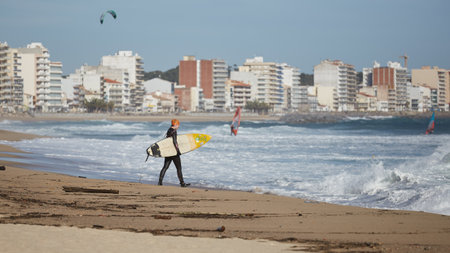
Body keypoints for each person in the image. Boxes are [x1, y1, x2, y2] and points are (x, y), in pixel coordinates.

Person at [158, 119, 190, 187]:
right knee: (179, 168)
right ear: (175, 125)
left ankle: (160, 182)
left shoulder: (169, 130)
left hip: (168, 152)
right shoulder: (174, 131)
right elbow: (175, 142)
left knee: (165, 167)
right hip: (174, 152)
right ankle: (182, 183)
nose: (178, 126)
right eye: (178, 125)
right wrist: (178, 151)